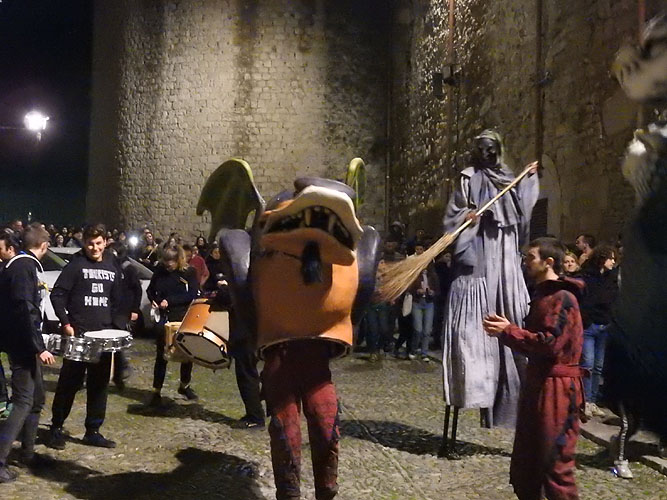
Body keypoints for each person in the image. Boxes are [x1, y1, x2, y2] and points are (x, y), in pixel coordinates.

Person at [442, 129, 539, 428]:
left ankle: (516, 401)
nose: (487, 153)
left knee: (513, 315)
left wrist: (528, 180)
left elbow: (522, 211)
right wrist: (467, 218)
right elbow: (453, 215)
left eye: (491, 148)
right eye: (481, 148)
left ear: (498, 149)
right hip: (480, 258)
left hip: (506, 258)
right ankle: (477, 388)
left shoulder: (509, 178)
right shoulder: (468, 177)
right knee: (476, 329)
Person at [483, 237, 584, 500]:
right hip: (539, 383)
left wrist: (510, 331)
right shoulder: (543, 294)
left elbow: (550, 344)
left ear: (548, 262)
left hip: (558, 389)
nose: (525, 262)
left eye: (530, 257)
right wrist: (508, 331)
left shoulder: (562, 297)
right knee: (528, 463)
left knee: (554, 464)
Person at [47, 223, 121, 450]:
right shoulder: (76, 265)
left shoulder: (112, 265)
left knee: (99, 385)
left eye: (99, 243)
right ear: (84, 243)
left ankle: (93, 430)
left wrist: (120, 322)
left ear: (105, 242)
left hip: (103, 336)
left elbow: (116, 298)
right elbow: (57, 295)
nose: (94, 248)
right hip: (79, 336)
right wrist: (66, 322)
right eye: (90, 243)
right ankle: (56, 428)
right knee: (69, 383)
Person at [0, 225, 55, 482]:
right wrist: (38, 347)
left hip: (24, 342)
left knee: (37, 398)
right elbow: (25, 309)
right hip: (23, 345)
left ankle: (28, 454)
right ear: (44, 246)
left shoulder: (20, 265)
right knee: (23, 401)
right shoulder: (23, 267)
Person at [147, 245, 199, 407]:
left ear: (178, 260)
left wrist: (170, 301)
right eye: (166, 261)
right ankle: (156, 390)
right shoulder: (160, 271)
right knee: (161, 355)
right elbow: (150, 290)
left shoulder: (189, 273)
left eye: (171, 261)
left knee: (186, 354)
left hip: (181, 316)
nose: (168, 265)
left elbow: (192, 294)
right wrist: (154, 300)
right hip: (164, 317)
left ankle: (185, 385)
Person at [579, 244, 618, 419]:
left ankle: (592, 400)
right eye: (611, 258)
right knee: (587, 363)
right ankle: (584, 401)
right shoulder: (588, 277)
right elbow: (588, 300)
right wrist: (586, 319)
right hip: (590, 325)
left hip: (604, 325)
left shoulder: (611, 279)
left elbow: (612, 299)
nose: (613, 262)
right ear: (602, 259)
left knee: (598, 366)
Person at [109, 242, 142, 389]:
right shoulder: (110, 266)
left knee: (117, 342)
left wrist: (134, 309)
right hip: (111, 308)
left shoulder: (128, 268)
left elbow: (137, 290)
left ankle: (120, 372)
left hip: (123, 309)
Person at [0, 233, 22, 414]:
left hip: (12, 324)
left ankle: (17, 401)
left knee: (17, 364)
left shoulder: (15, 269)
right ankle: (1, 398)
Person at [408, 243, 439, 361]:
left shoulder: (432, 274)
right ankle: (414, 349)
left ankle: (424, 352)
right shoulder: (414, 273)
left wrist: (432, 292)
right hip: (417, 302)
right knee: (418, 329)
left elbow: (437, 288)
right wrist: (417, 290)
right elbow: (409, 287)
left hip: (428, 303)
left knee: (427, 330)